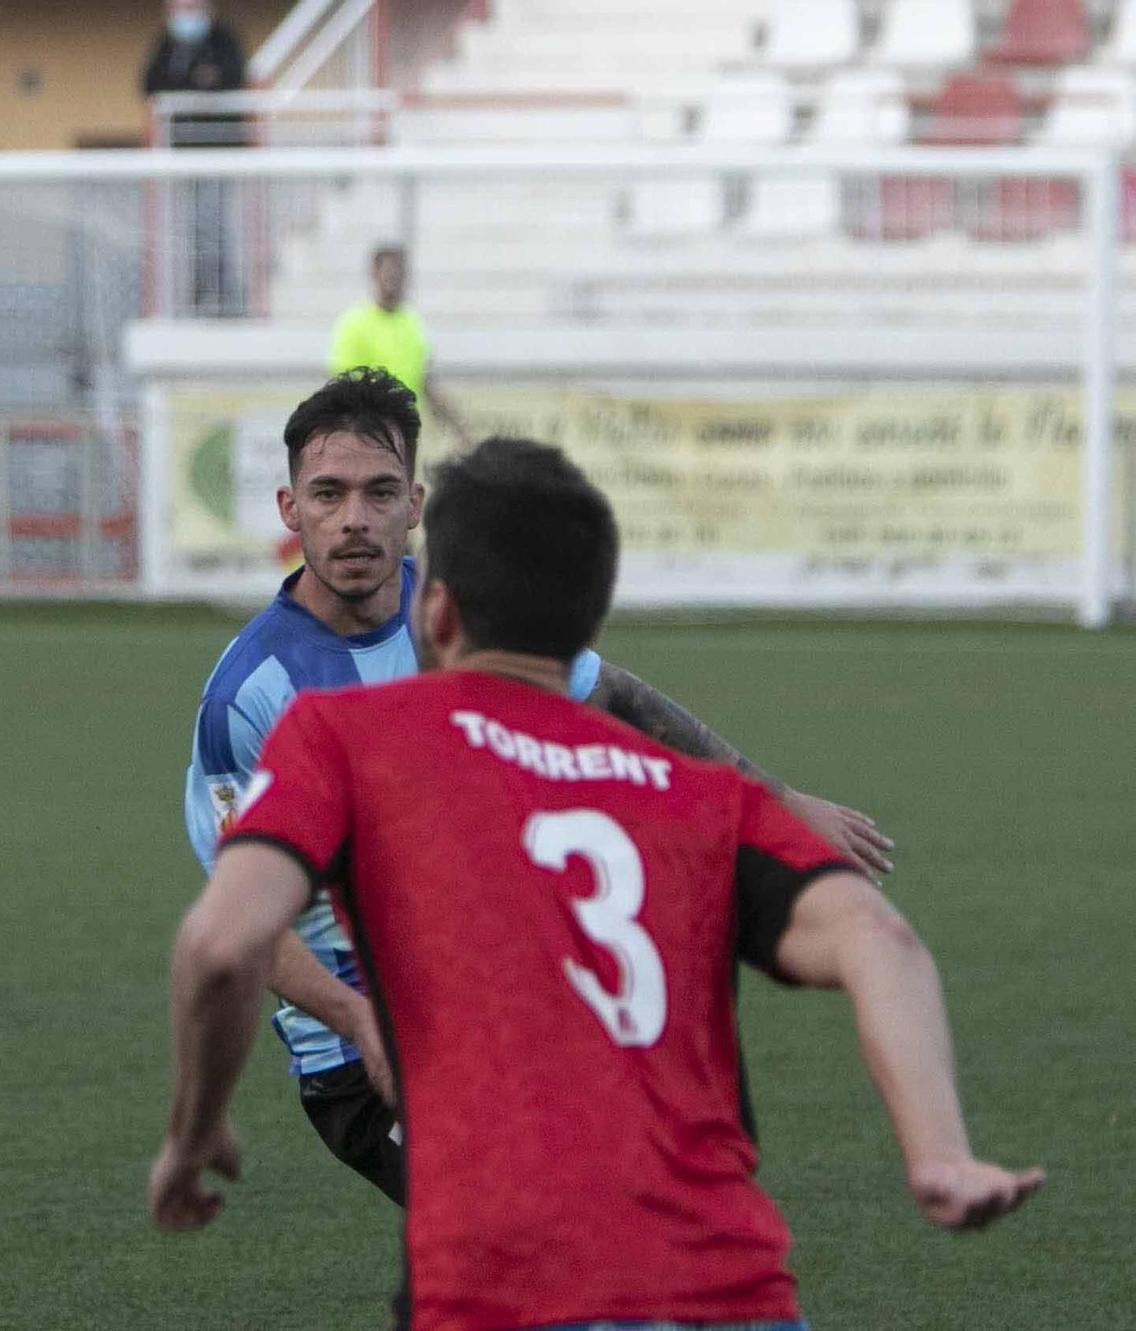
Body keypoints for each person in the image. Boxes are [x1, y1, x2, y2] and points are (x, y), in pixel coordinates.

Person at [153, 436, 1042, 1330]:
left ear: (440, 614)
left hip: (510, 1288)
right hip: (730, 1293)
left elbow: (222, 942)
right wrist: (940, 1154)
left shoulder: (349, 740)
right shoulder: (700, 797)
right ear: (587, 630)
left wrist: (194, 1136)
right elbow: (880, 940)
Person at [185, 368, 893, 1206]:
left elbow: (612, 693)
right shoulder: (250, 694)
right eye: (328, 493)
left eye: (379, 493)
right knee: (554, 1218)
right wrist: (357, 1017)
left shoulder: (458, 613)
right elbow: (245, 929)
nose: (354, 520)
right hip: (366, 1052)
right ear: (288, 509)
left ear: (414, 504)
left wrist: (777, 799)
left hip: (504, 995)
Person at [142, 0, 248, 312]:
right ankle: (191, 294)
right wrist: (194, 79)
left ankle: (217, 294)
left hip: (217, 153)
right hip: (179, 155)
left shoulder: (223, 40)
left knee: (213, 225)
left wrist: (203, 82)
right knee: (184, 231)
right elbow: (150, 83)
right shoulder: (168, 44)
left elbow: (230, 77)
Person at [329, 244, 471, 444]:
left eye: (399, 272)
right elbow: (344, 388)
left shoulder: (413, 324)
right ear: (374, 274)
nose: (393, 278)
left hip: (405, 435)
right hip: (366, 438)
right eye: (388, 272)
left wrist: (459, 432)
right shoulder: (353, 324)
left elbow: (425, 381)